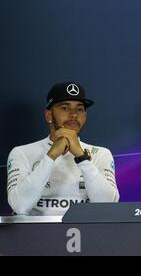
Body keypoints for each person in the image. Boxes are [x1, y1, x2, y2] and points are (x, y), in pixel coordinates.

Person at [7, 82, 119, 216]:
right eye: (65, 108)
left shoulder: (101, 154)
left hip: (88, 233)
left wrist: (81, 157)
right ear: (48, 115)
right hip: (35, 234)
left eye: (79, 109)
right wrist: (51, 156)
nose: (73, 115)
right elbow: (20, 206)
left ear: (85, 116)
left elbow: (107, 206)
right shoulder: (22, 153)